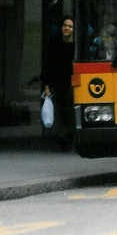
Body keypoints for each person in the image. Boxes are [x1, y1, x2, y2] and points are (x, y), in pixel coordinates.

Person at [42, 15, 75, 151]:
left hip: (72, 83)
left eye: (70, 26)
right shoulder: (54, 43)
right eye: (65, 25)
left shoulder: (77, 46)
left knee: (69, 110)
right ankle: (63, 138)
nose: (67, 28)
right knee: (60, 111)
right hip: (57, 83)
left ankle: (69, 136)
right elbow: (48, 65)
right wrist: (46, 86)